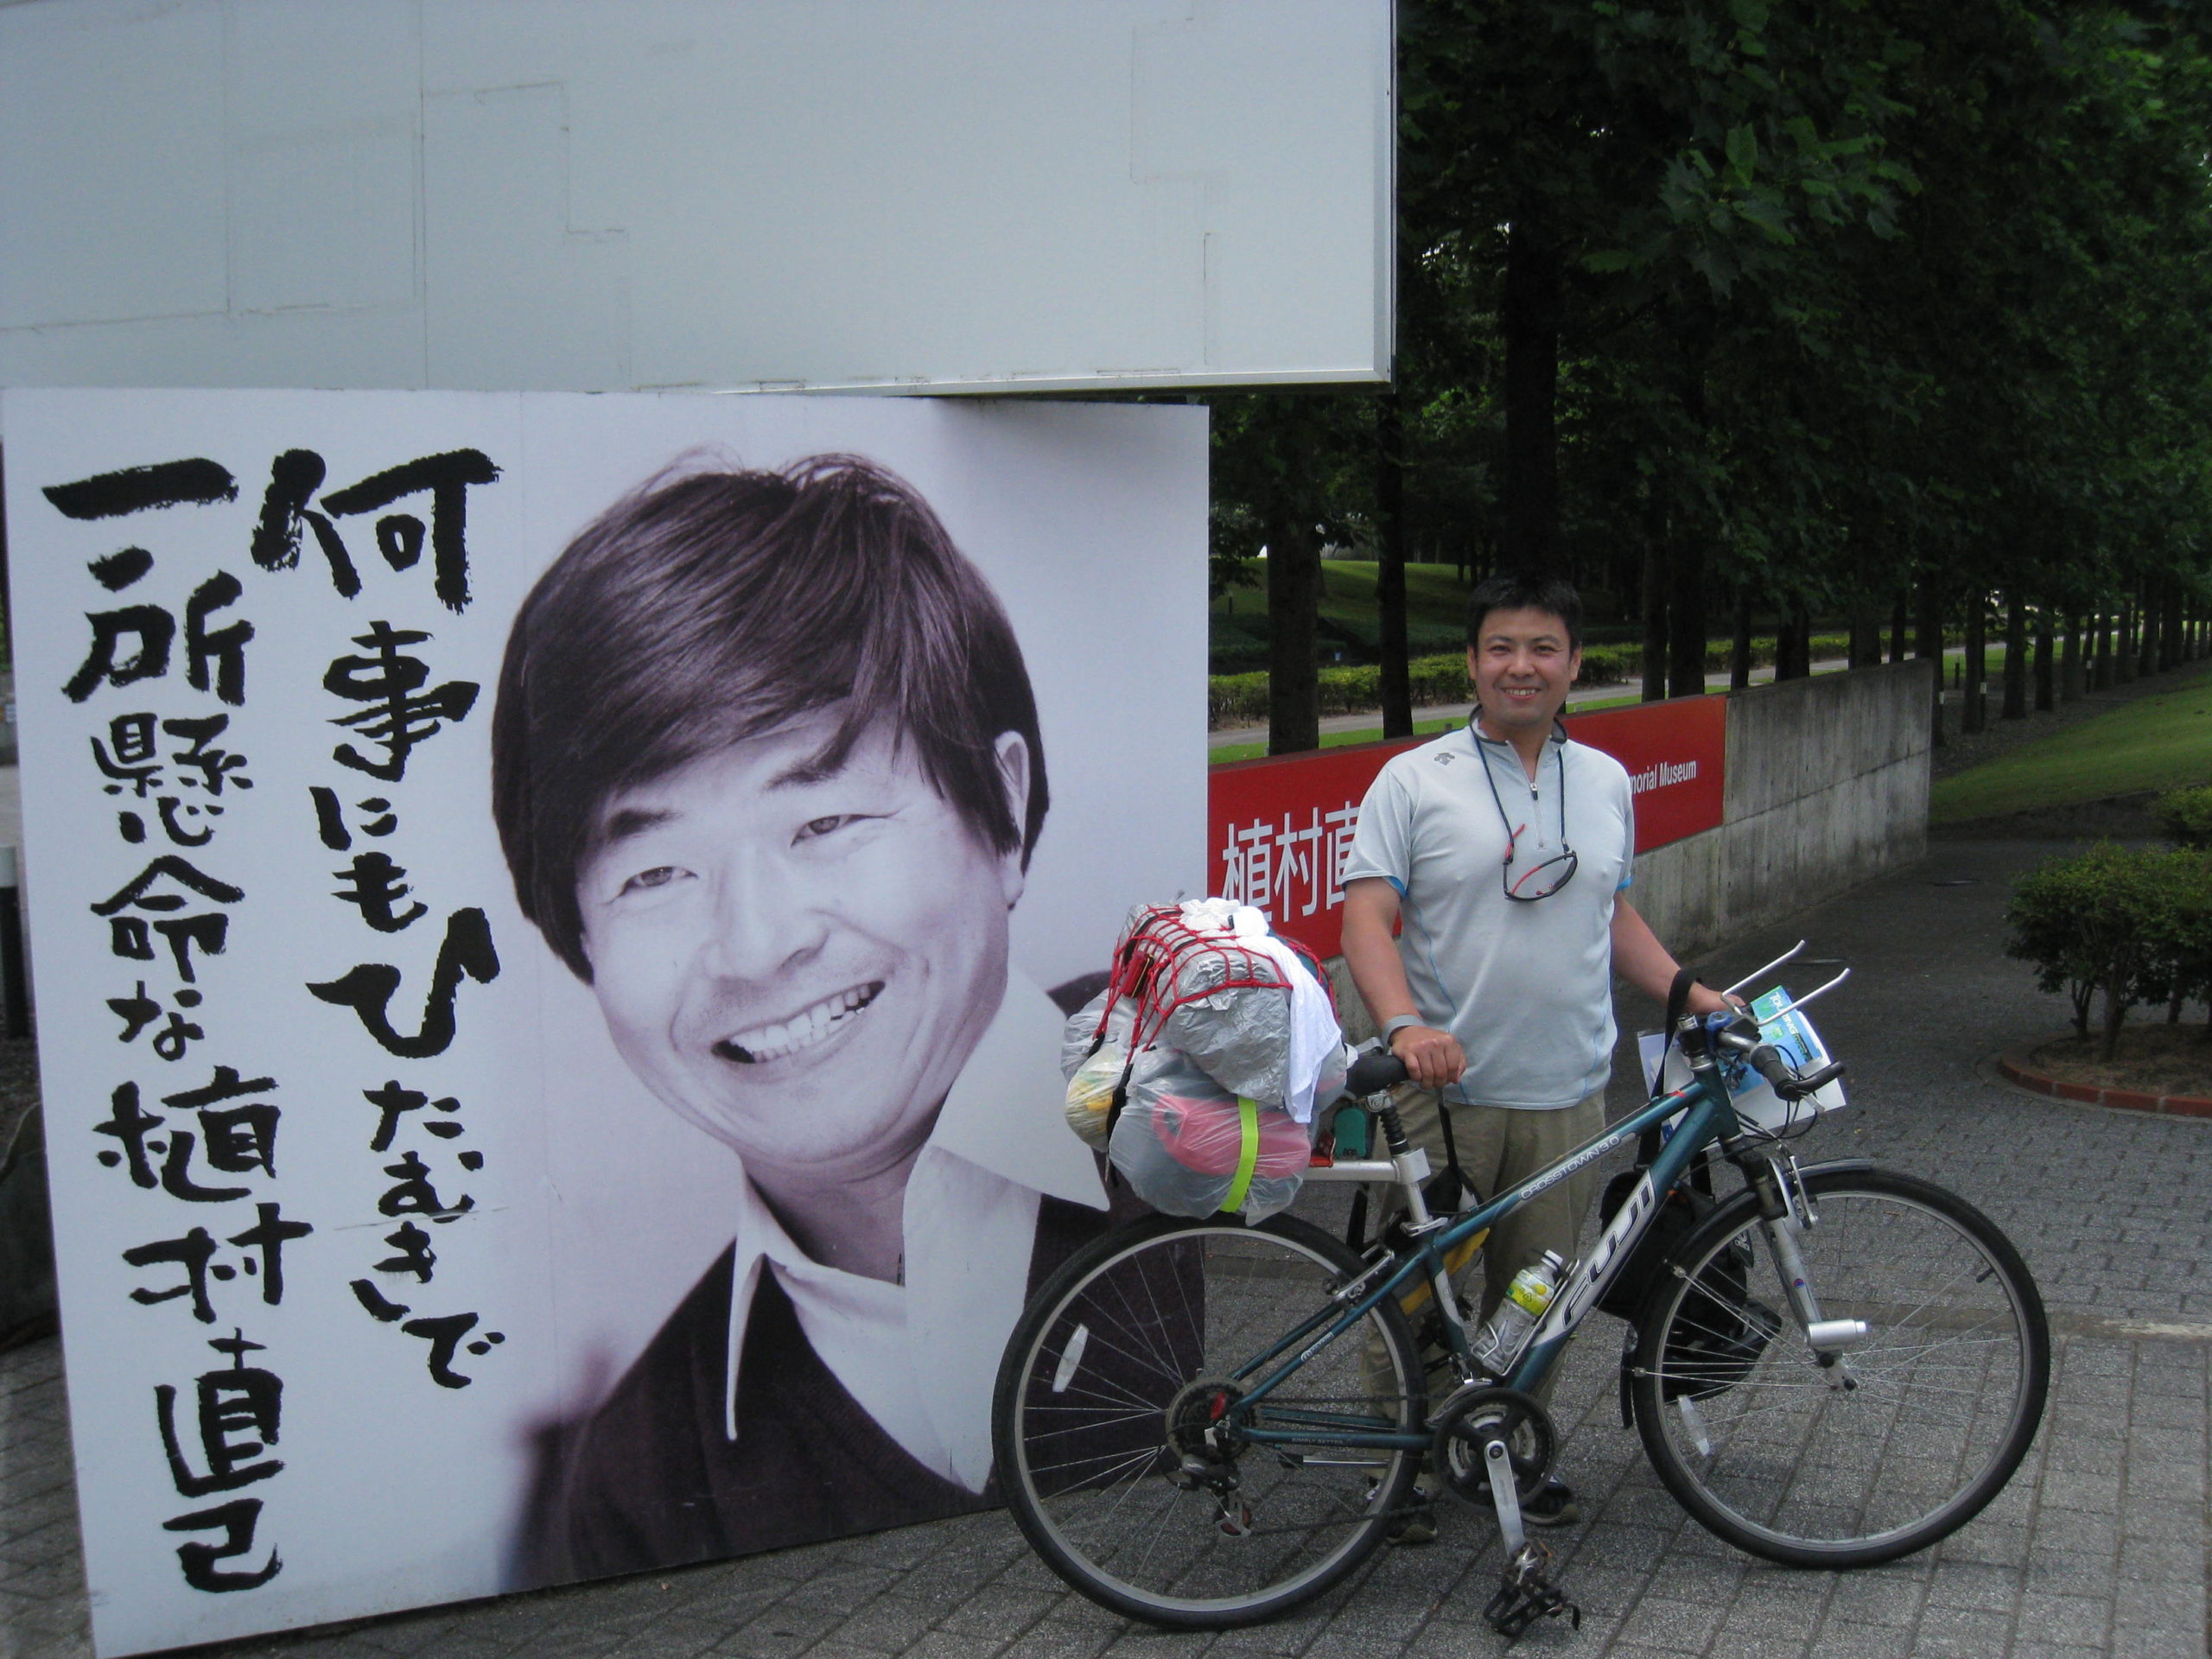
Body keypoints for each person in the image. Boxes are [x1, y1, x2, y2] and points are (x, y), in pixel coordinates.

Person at [490, 454, 1113, 1583]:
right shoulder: (635, 1478)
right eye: (653, 874)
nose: (760, 942)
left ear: (1004, 808)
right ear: (580, 945)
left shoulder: (1202, 1102)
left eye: (823, 822)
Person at [1338, 575, 1733, 1535]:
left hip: (1565, 1089)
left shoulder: (1600, 780)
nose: (1522, 665)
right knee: (1419, 1295)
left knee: (1538, 1290)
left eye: (1543, 647)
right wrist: (1404, 1029)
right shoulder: (1414, 779)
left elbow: (1609, 910)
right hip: (1447, 1092)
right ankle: (1401, 1469)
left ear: (1573, 665)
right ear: (1471, 664)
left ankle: (1504, 1448)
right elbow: (1365, 917)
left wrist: (1691, 993)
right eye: (1502, 647)